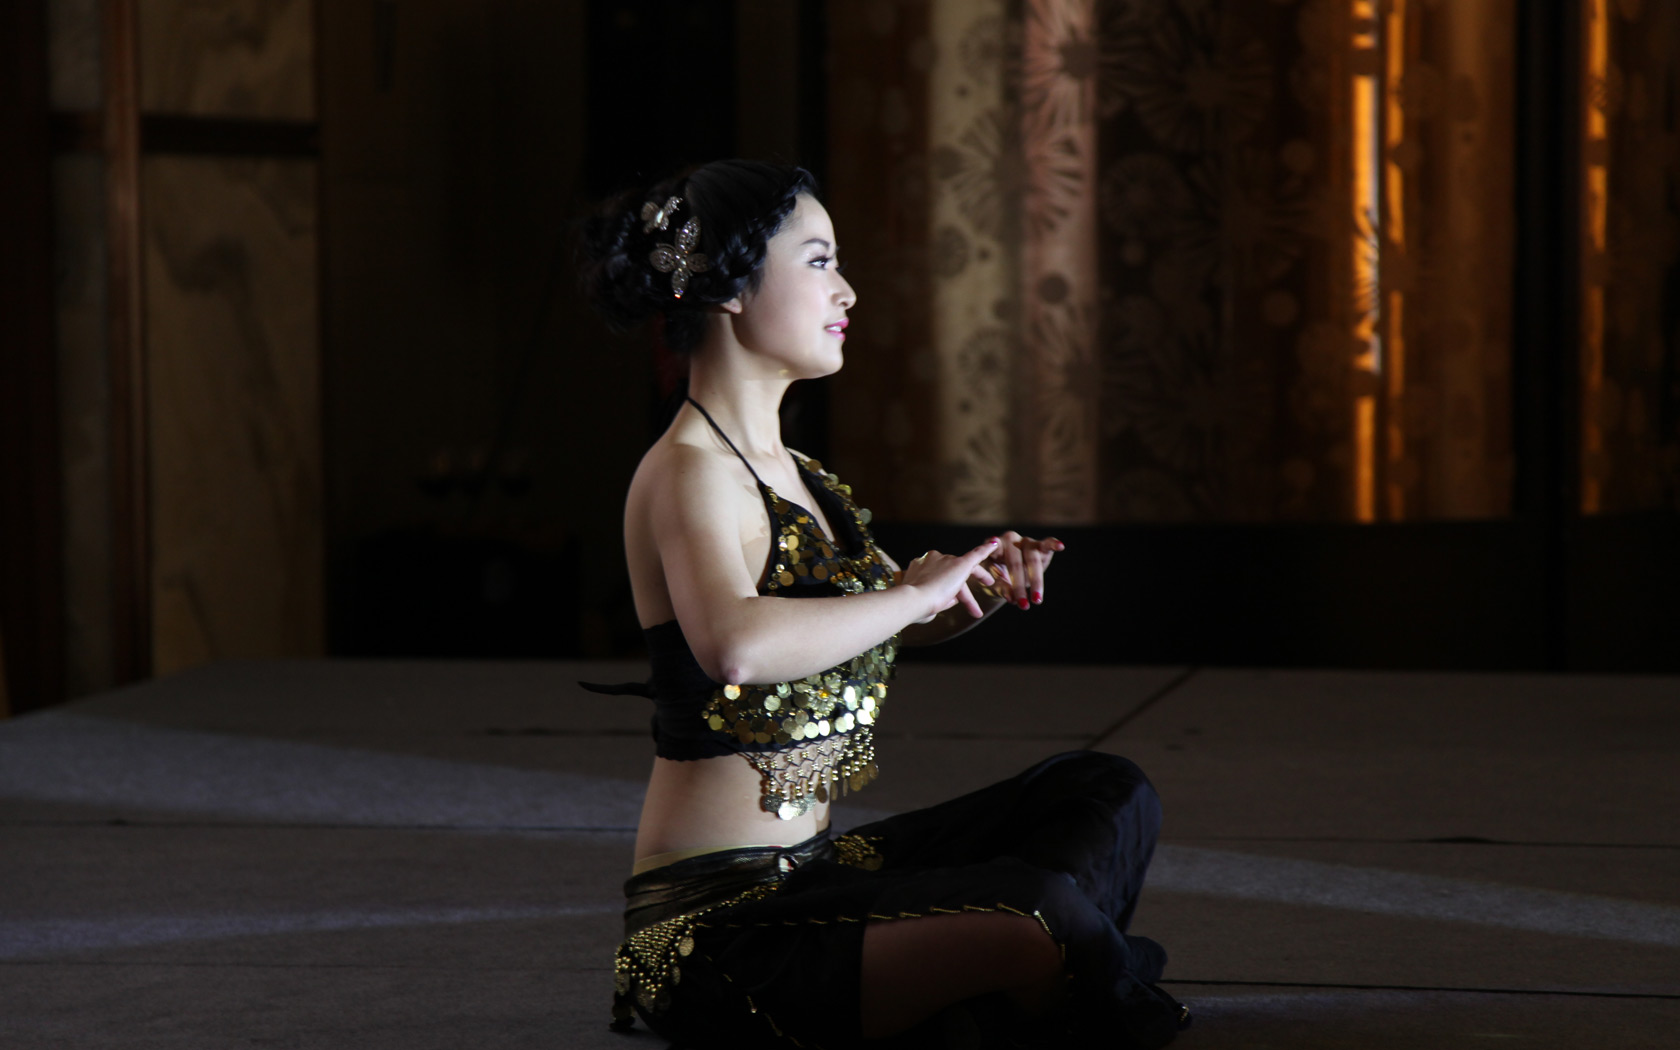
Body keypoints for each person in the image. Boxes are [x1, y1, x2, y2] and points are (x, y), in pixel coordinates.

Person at [577, 159, 1186, 1049]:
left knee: (1105, 792)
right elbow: (736, 647)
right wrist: (911, 597)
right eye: (820, 261)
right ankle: (1041, 978)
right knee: (1041, 914)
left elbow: (868, 619)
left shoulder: (797, 472)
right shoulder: (688, 471)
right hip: (722, 931)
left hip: (820, 875)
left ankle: (1025, 986)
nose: (847, 291)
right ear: (730, 289)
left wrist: (961, 597)